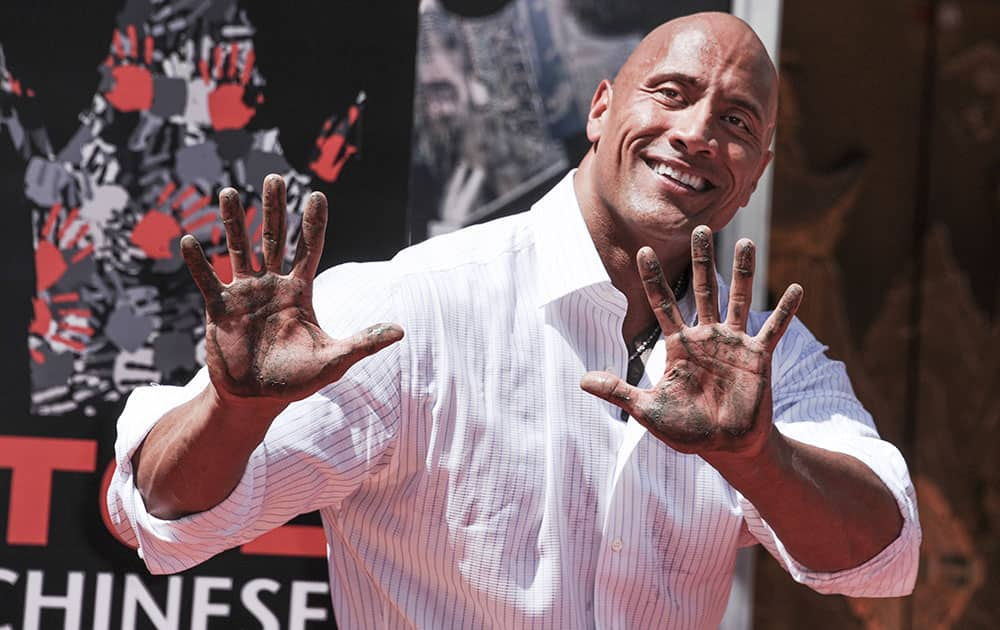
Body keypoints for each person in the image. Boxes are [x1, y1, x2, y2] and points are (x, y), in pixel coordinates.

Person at [107, 12, 920, 628]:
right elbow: (162, 519)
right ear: (602, 109)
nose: (698, 132)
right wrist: (236, 407)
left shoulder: (759, 358)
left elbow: (880, 557)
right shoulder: (418, 307)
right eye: (670, 94)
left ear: (758, 172)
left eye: (739, 123)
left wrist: (755, 454)